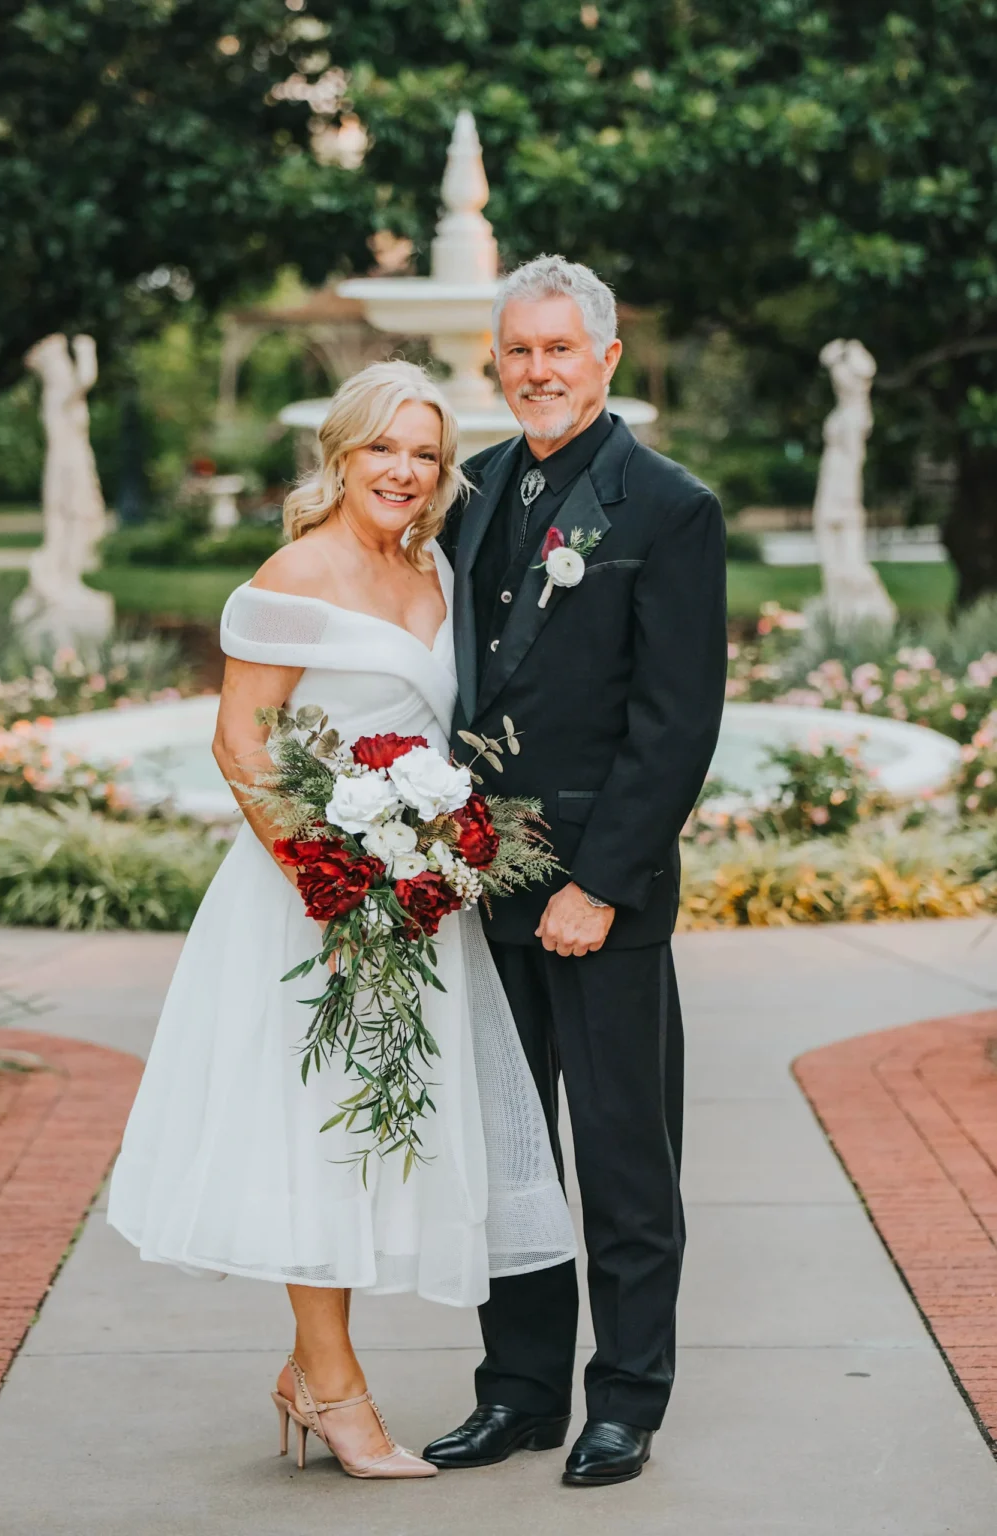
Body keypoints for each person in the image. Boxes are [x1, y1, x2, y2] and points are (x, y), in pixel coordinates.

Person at [107, 361, 576, 1482]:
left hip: (414, 904)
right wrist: (330, 880)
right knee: (320, 1141)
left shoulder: (435, 575)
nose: (404, 472)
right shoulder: (295, 574)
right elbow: (242, 744)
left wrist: (431, 860)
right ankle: (338, 1392)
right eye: (383, 450)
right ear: (340, 455)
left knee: (378, 1144)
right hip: (313, 906)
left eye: (423, 454)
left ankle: (303, 1369)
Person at [425, 255, 727, 1487]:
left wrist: (595, 883)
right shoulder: (475, 487)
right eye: (518, 351)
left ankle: (625, 1401)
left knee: (618, 1157)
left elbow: (675, 721)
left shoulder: (666, 506)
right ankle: (519, 1393)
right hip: (480, 881)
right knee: (507, 1154)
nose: (537, 370)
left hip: (600, 896)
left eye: (559, 349)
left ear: (605, 357)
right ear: (495, 364)